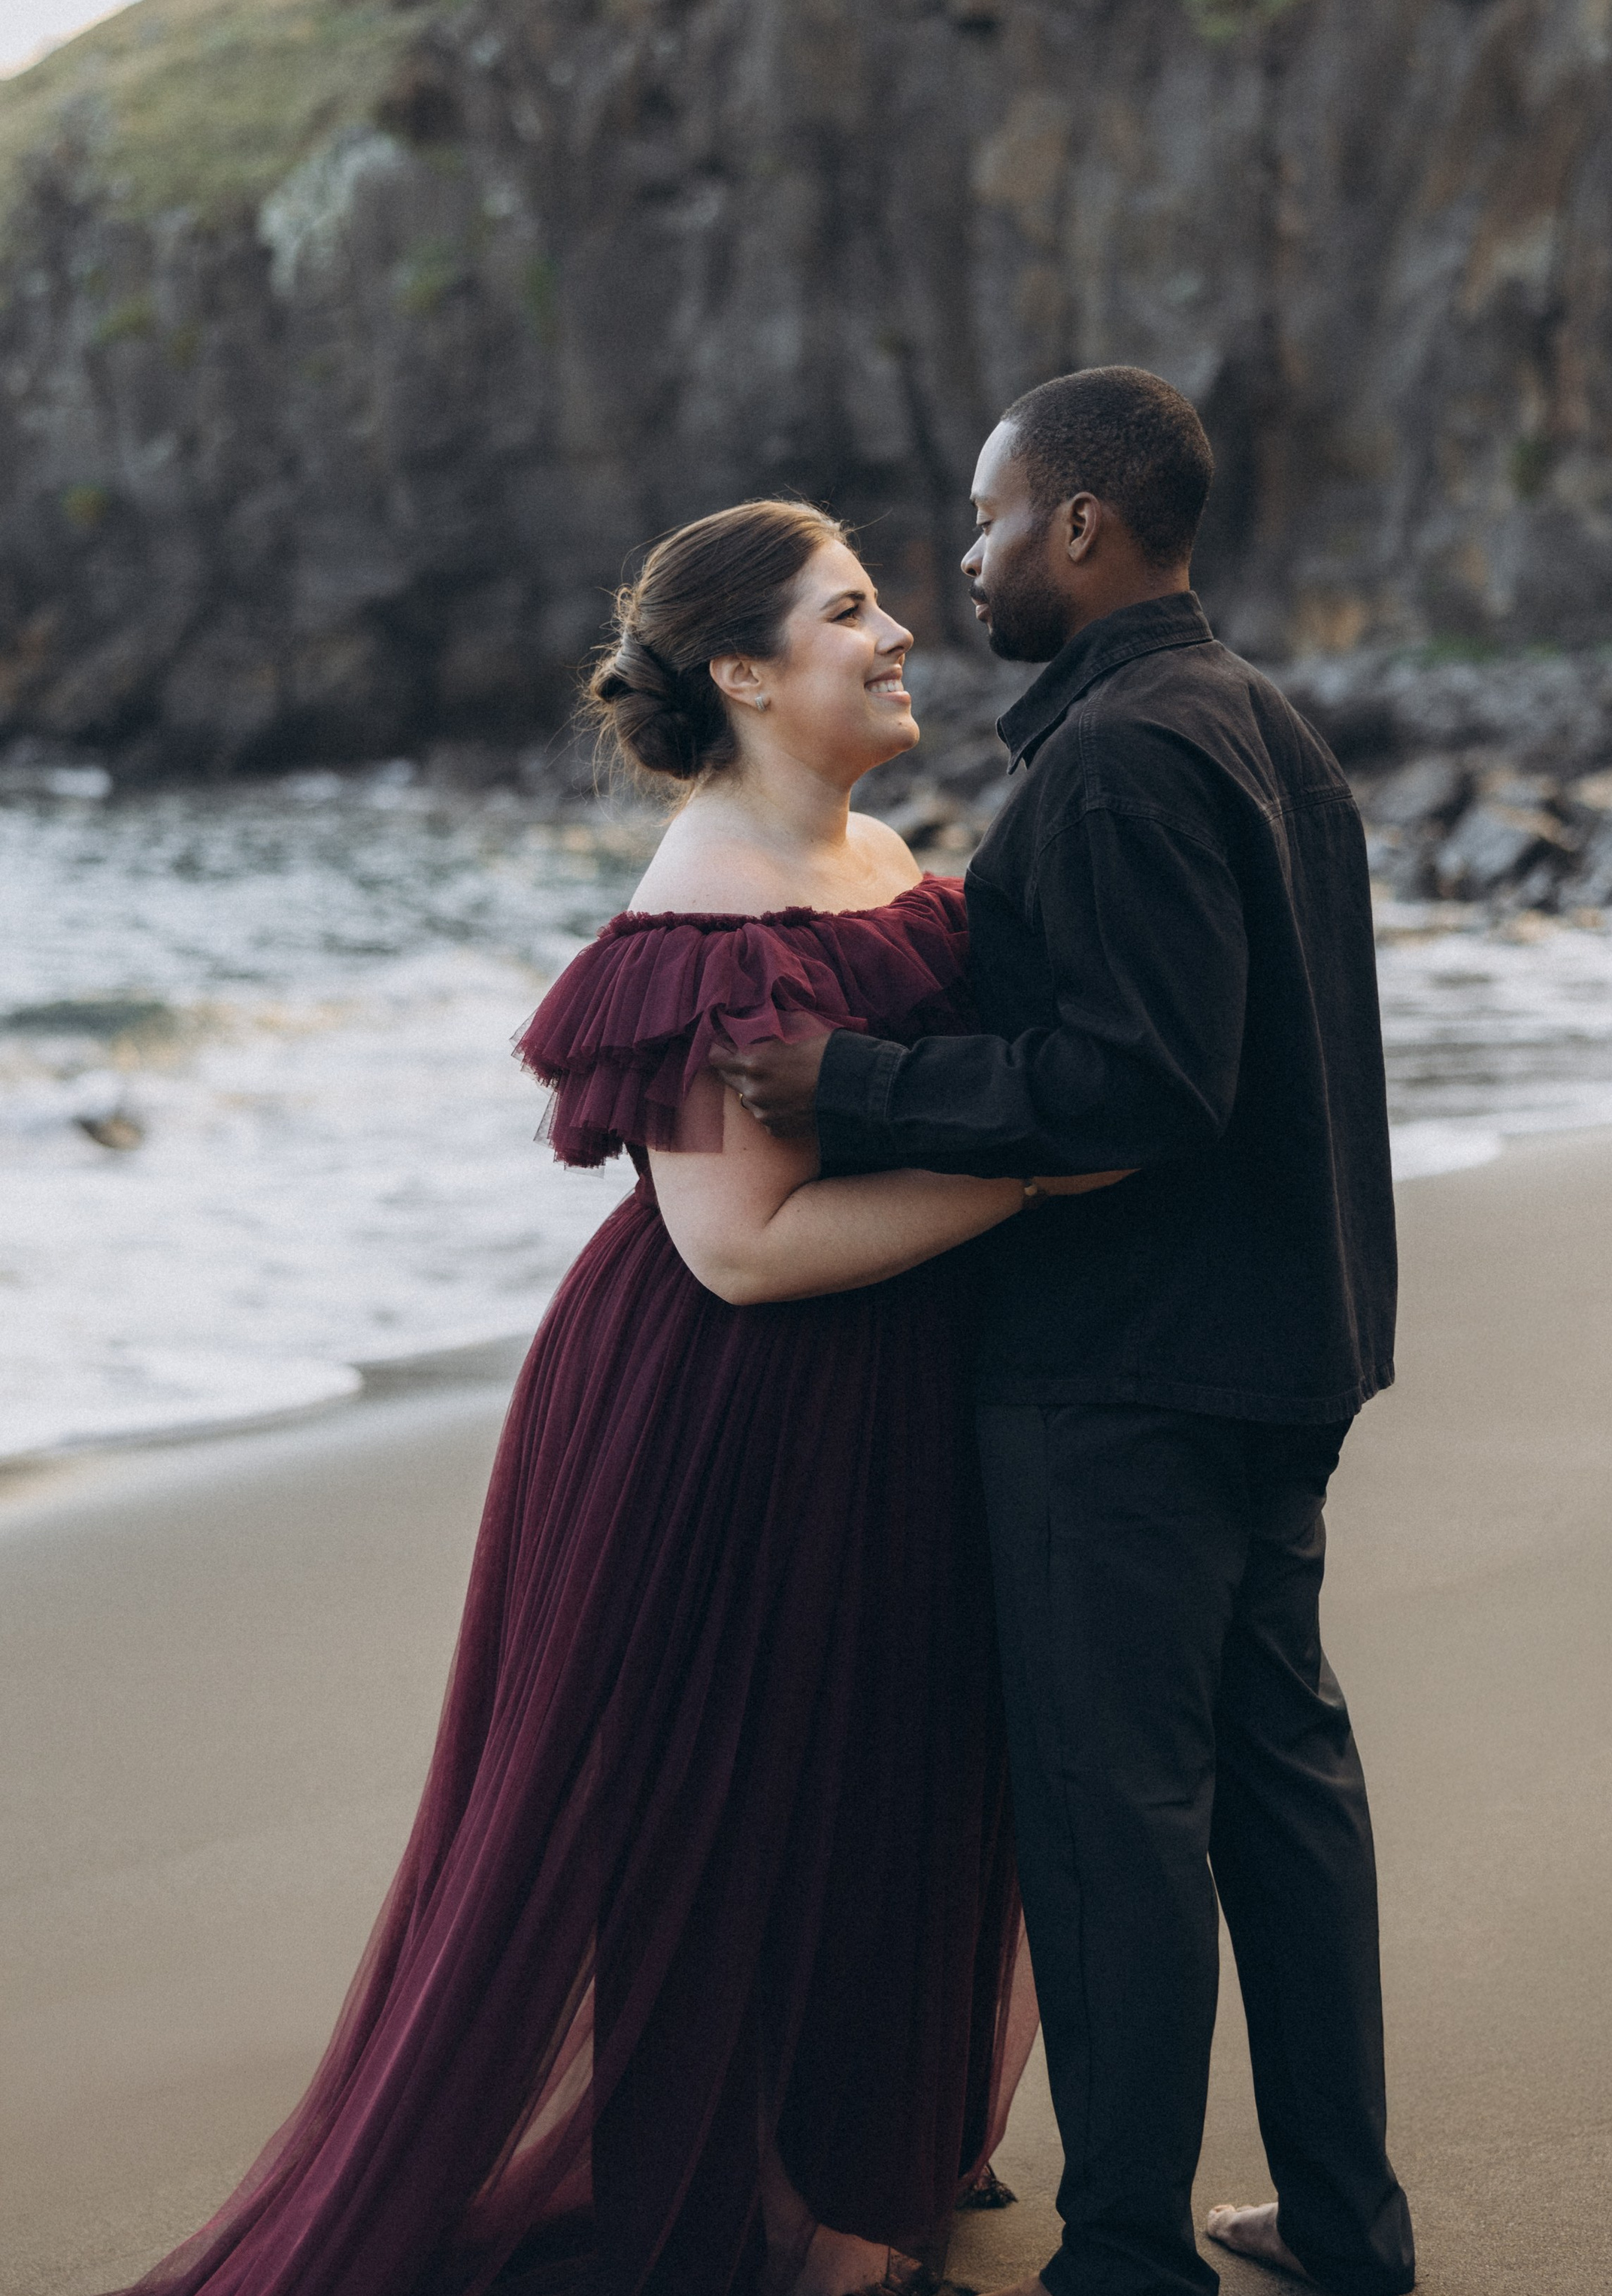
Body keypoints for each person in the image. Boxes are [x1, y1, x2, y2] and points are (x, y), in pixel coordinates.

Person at [114, 499, 1122, 2296]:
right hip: (730, 1411)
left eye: (884, 601)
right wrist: (1043, 1180)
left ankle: (856, 2158)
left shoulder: (881, 856)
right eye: (847, 611)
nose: (898, 632)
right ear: (740, 670)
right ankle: (771, 2203)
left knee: (887, 1776)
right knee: (741, 1808)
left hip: (890, 1384)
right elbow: (739, 1247)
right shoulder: (700, 915)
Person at [713, 372, 1417, 2296]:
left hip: (1126, 1372)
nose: (965, 554)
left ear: (1085, 529)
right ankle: (1348, 2230)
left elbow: (1134, 1086)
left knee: (1119, 1826)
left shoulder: (1119, 758)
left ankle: (1124, 2251)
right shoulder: (1260, 722)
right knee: (1284, 1793)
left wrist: (851, 1082)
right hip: (1283, 1342)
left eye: (990, 512)